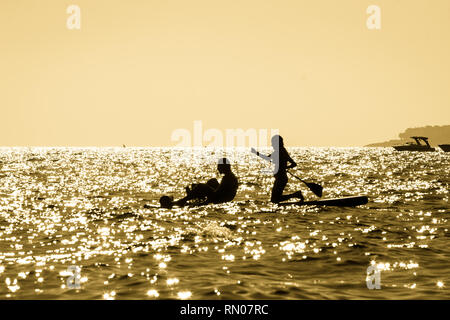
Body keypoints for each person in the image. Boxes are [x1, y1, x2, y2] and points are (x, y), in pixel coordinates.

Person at [160, 158, 238, 208]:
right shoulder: (229, 176)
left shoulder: (228, 178)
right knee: (212, 181)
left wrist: (202, 204)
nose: (217, 168)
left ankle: (183, 200)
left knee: (201, 186)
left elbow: (217, 195)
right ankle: (193, 195)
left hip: (220, 199)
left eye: (219, 166)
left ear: (224, 167)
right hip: (221, 196)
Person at [251, 135, 304, 203]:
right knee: (274, 199)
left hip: (281, 178)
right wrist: (284, 167)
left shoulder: (280, 151)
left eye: (273, 143)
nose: (272, 145)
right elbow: (293, 164)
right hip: (280, 178)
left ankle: (296, 195)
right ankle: (296, 195)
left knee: (274, 199)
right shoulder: (281, 151)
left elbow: (293, 164)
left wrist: (256, 153)